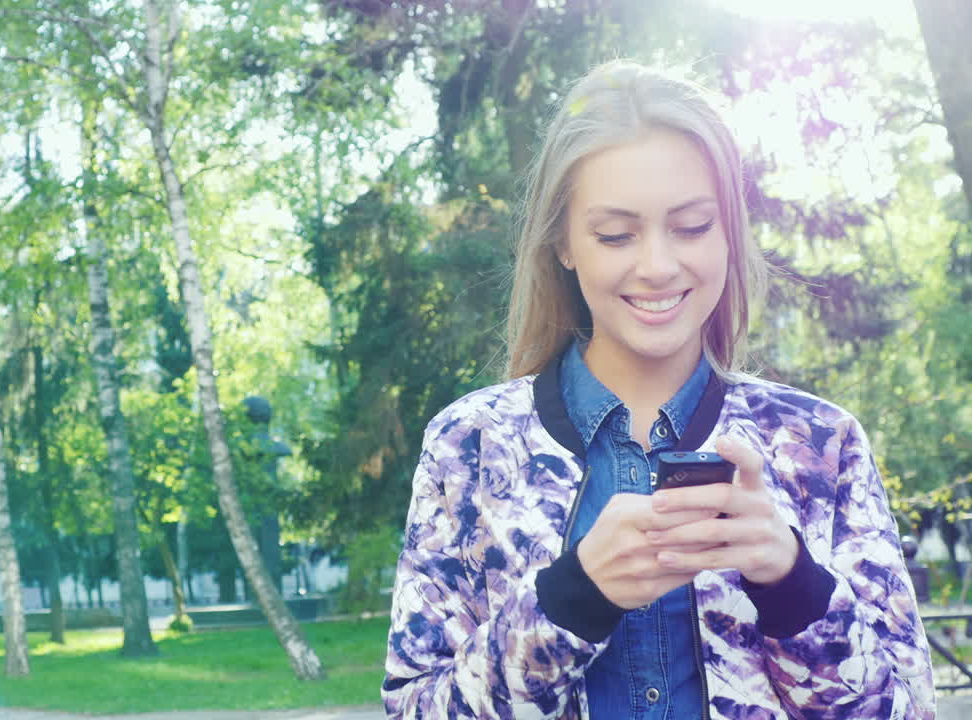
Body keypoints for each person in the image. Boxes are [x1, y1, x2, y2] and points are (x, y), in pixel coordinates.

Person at [382, 61, 935, 719]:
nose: (657, 265)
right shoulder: (468, 446)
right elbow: (415, 709)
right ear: (562, 241)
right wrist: (570, 600)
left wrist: (794, 584)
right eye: (616, 234)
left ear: (729, 227)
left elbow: (907, 710)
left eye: (693, 225)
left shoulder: (823, 444)